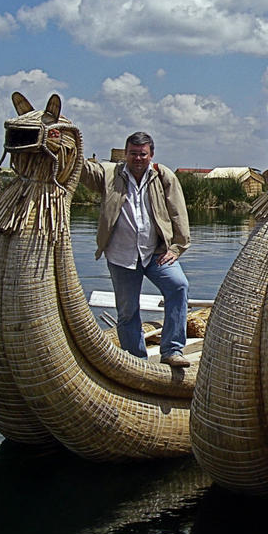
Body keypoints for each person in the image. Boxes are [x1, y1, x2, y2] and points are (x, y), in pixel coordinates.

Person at [81, 132, 191, 367]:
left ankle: (172, 350)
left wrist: (177, 246)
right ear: (126, 154)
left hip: (155, 253)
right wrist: (66, 144)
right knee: (127, 310)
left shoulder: (163, 176)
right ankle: (136, 359)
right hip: (122, 255)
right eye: (133, 154)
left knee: (178, 286)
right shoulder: (110, 174)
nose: (138, 158)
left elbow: (177, 211)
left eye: (143, 154)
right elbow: (83, 171)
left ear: (151, 155)